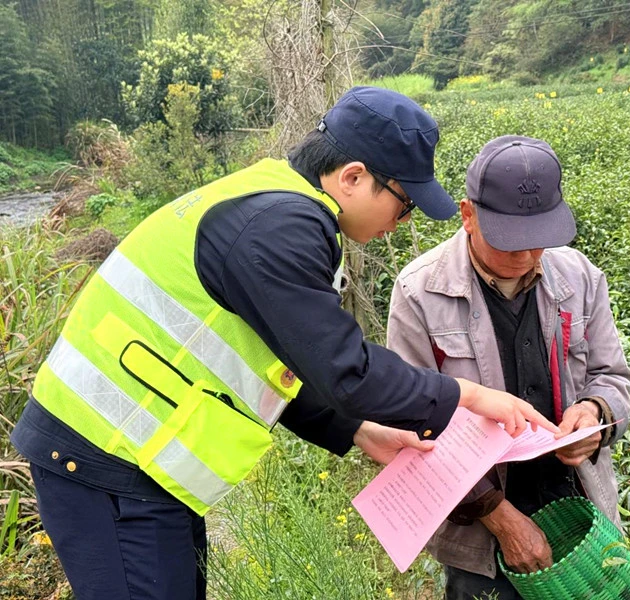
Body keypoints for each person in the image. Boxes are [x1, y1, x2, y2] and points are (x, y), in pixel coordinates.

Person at [10, 89, 554, 600]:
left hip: (135, 463)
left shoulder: (272, 204)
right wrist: (470, 396)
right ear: (353, 177)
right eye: (404, 203)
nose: (400, 221)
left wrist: (356, 430)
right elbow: (348, 370)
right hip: (107, 460)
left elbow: (286, 364)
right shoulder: (279, 226)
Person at [386, 135, 630, 599]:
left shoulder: (579, 276)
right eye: (509, 242)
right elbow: (410, 426)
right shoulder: (420, 293)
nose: (525, 257)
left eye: (537, 241)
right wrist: (502, 520)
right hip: (482, 538)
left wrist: (595, 413)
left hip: (580, 514)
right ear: (467, 214)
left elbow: (612, 375)